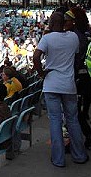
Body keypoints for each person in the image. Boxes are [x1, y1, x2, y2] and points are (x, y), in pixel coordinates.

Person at [32, 11, 88, 167]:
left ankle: (58, 159)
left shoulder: (47, 38)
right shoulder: (73, 37)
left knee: (55, 121)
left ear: (51, 23)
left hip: (51, 84)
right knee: (72, 120)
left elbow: (36, 57)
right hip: (68, 84)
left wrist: (42, 73)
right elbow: (75, 55)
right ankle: (79, 155)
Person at [65, 8, 91, 149]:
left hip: (78, 78)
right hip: (82, 77)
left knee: (73, 112)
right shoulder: (81, 34)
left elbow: (75, 60)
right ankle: (88, 137)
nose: (64, 23)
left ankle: (74, 142)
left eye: (66, 20)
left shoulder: (76, 37)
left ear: (73, 21)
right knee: (75, 112)